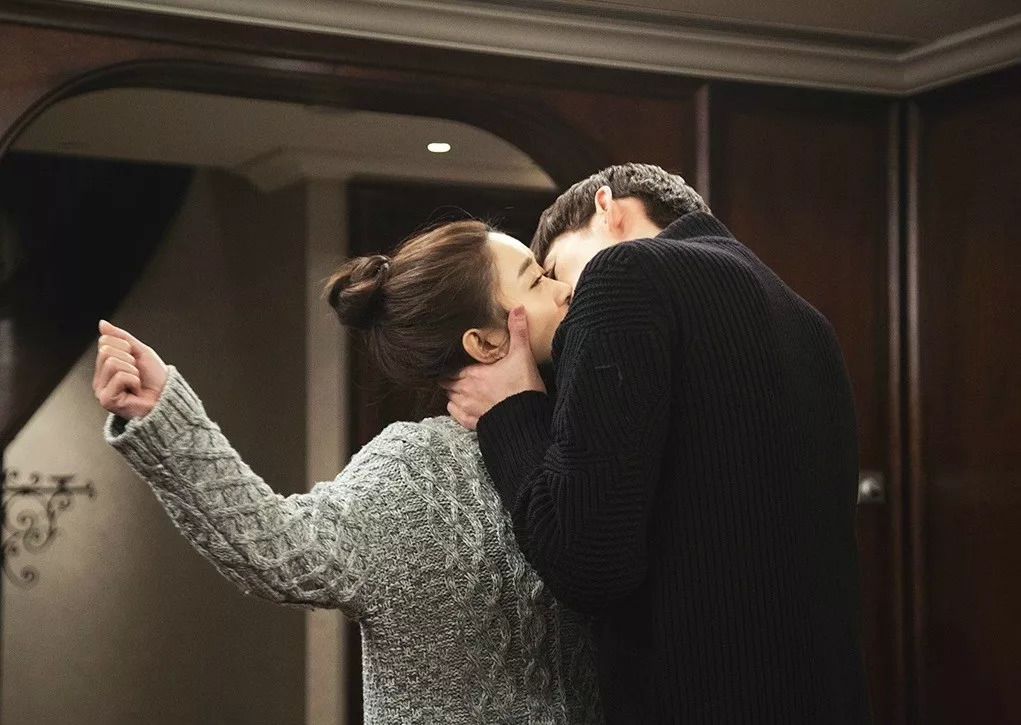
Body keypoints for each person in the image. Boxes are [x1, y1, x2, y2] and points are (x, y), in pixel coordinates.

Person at [93, 221, 603, 724]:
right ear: (485, 342)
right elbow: (278, 547)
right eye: (537, 281)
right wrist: (164, 416)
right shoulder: (412, 472)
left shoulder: (580, 441)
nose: (566, 290)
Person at [445, 164, 872, 723]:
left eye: (554, 269)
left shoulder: (622, 272)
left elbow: (586, 559)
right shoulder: (808, 320)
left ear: (607, 209)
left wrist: (513, 410)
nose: (567, 295)